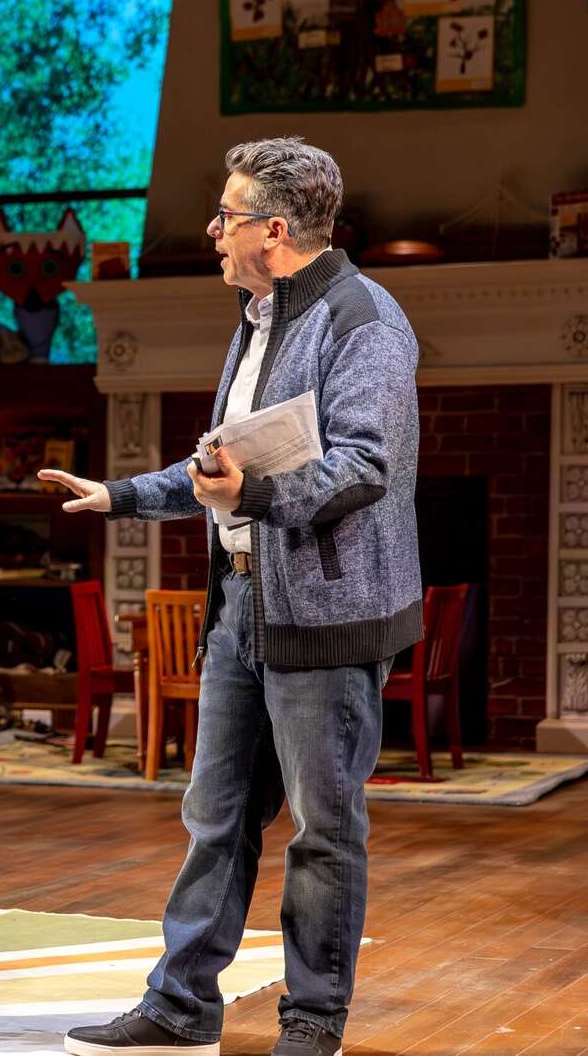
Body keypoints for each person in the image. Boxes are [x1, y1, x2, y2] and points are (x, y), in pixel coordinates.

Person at [49, 138, 421, 1056]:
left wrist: (249, 493)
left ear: (275, 229)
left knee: (322, 830)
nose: (213, 231)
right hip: (240, 611)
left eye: (227, 216)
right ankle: (181, 1005)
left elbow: (364, 466)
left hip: (328, 618)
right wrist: (119, 496)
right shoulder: (257, 319)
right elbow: (222, 467)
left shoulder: (363, 319)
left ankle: (313, 1020)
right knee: (214, 818)